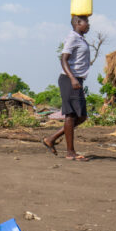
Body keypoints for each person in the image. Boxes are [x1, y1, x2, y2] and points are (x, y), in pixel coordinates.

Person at [43, 15, 91, 161]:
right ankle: (70, 152)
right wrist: (72, 78)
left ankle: (52, 138)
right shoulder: (72, 38)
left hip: (77, 80)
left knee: (81, 116)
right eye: (86, 22)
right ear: (78, 23)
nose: (88, 25)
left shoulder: (81, 39)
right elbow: (63, 59)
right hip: (69, 80)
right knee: (71, 115)